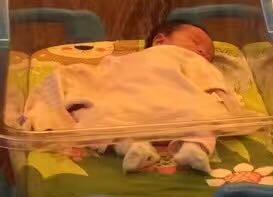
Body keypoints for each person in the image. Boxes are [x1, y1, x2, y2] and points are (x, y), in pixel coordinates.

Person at [21, 21, 242, 174]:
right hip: (145, 107)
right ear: (160, 41)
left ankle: (188, 149)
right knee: (101, 113)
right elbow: (95, 75)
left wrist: (228, 105)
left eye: (208, 54)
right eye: (196, 41)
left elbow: (213, 84)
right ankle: (142, 147)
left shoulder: (195, 62)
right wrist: (233, 111)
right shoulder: (124, 61)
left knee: (201, 113)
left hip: (172, 104)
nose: (203, 52)